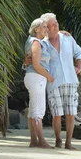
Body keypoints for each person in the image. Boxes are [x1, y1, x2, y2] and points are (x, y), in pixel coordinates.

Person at [39, 13, 81, 150]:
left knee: (71, 113)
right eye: (52, 25)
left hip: (70, 79)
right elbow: (35, 57)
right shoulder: (43, 43)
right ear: (46, 28)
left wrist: (79, 67)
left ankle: (68, 143)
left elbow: (79, 53)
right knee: (56, 114)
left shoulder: (67, 39)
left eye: (56, 23)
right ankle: (58, 140)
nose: (55, 26)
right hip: (53, 81)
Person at [24, 18, 55, 148]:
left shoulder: (30, 41)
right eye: (44, 27)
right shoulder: (36, 42)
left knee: (32, 110)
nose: (46, 29)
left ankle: (34, 140)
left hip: (32, 77)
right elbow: (36, 65)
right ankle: (41, 140)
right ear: (36, 29)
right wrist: (49, 76)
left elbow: (29, 61)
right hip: (37, 77)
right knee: (38, 111)